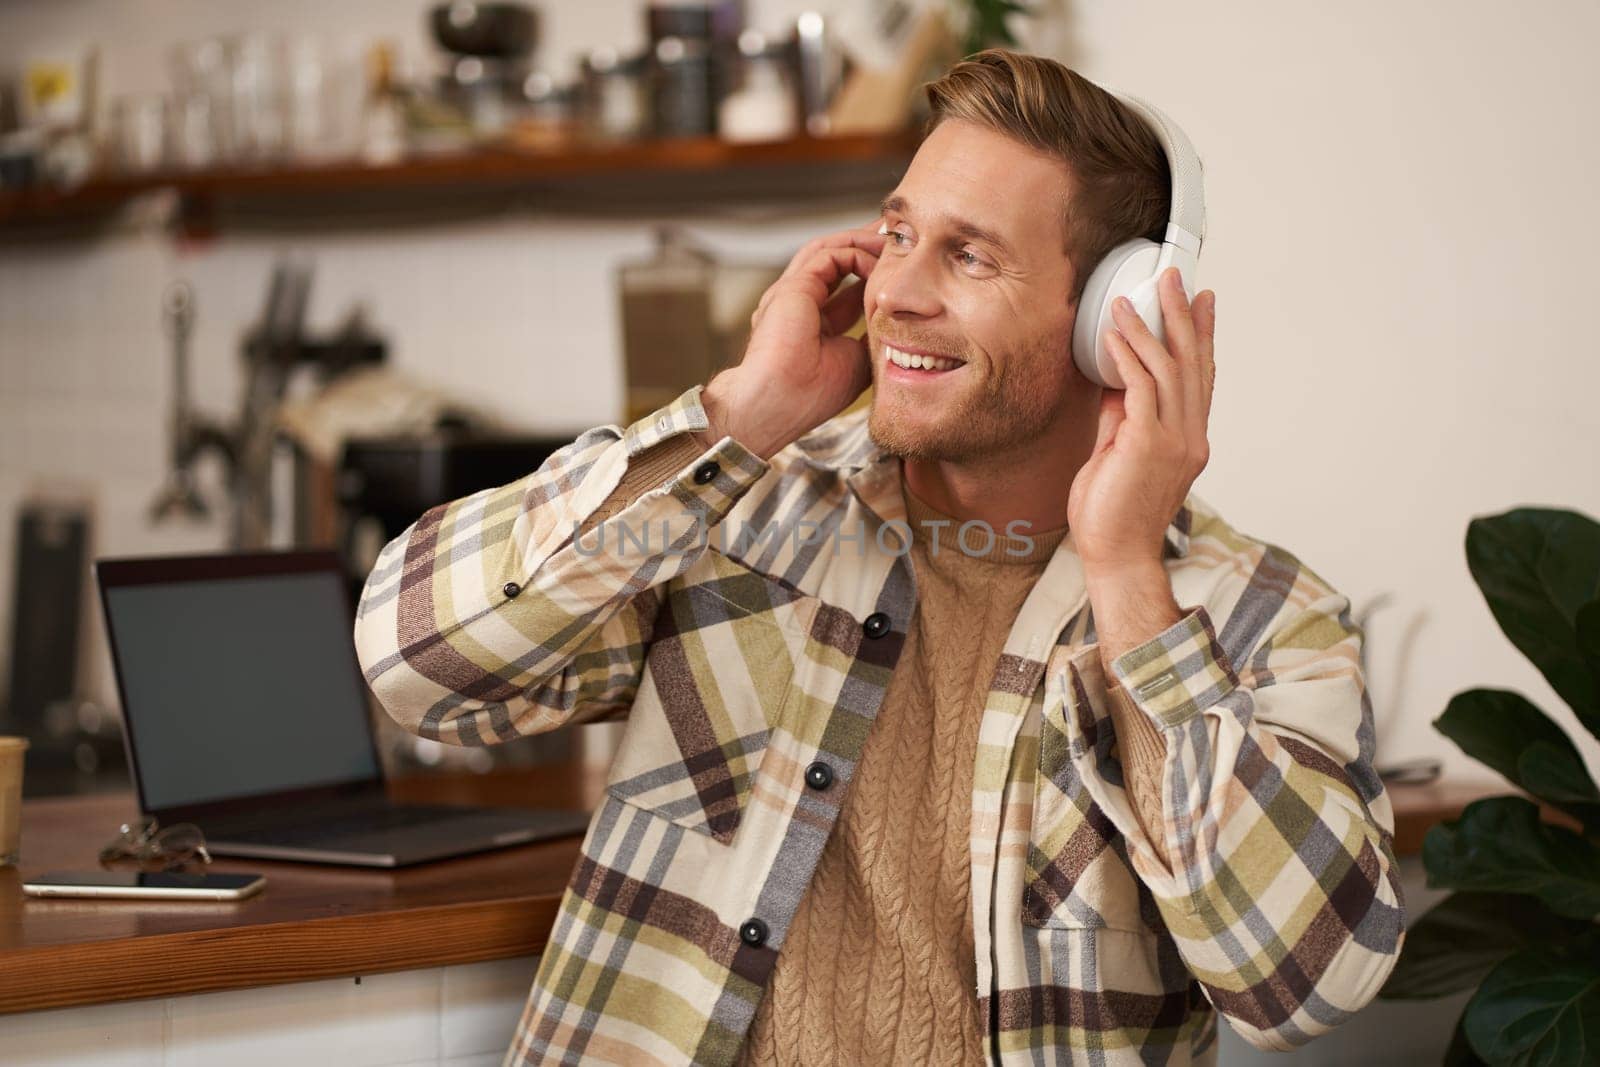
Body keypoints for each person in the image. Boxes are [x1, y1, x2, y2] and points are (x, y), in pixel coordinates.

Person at [354, 48, 1404, 1067]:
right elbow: (416, 667)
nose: (896, 290)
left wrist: (1127, 573)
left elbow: (1300, 986)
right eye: (898, 233)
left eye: (969, 254)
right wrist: (738, 415)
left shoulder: (1260, 614)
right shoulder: (741, 512)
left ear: (1108, 320)